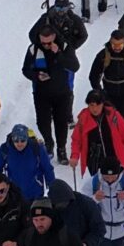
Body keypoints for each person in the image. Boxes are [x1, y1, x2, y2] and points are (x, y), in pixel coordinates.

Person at [23, 26, 77, 161]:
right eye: (43, 43)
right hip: (41, 92)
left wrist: (58, 53)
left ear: (54, 37)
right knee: (42, 121)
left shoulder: (64, 46)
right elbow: (25, 69)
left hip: (62, 92)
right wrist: (36, 76)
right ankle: (48, 142)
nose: (46, 45)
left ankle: (61, 148)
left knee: (61, 122)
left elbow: (74, 66)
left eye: (49, 43)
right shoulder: (33, 49)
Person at [70, 89, 124, 177]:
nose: (95, 109)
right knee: (98, 184)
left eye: (98, 105)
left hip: (115, 159)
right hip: (95, 162)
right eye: (92, 105)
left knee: (117, 183)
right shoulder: (83, 119)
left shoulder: (114, 116)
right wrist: (74, 156)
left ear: (103, 104)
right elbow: (76, 139)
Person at [0, 120, 55, 205]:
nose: (19, 143)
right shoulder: (5, 149)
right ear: (12, 139)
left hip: (35, 195)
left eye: (23, 140)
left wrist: (53, 190)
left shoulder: (37, 148)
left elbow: (47, 169)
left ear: (27, 138)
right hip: (14, 195)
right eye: (16, 140)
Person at [91, 29, 124, 129]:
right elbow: (93, 75)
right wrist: (100, 93)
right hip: (109, 94)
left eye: (120, 45)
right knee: (110, 122)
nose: (117, 48)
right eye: (114, 45)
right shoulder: (103, 55)